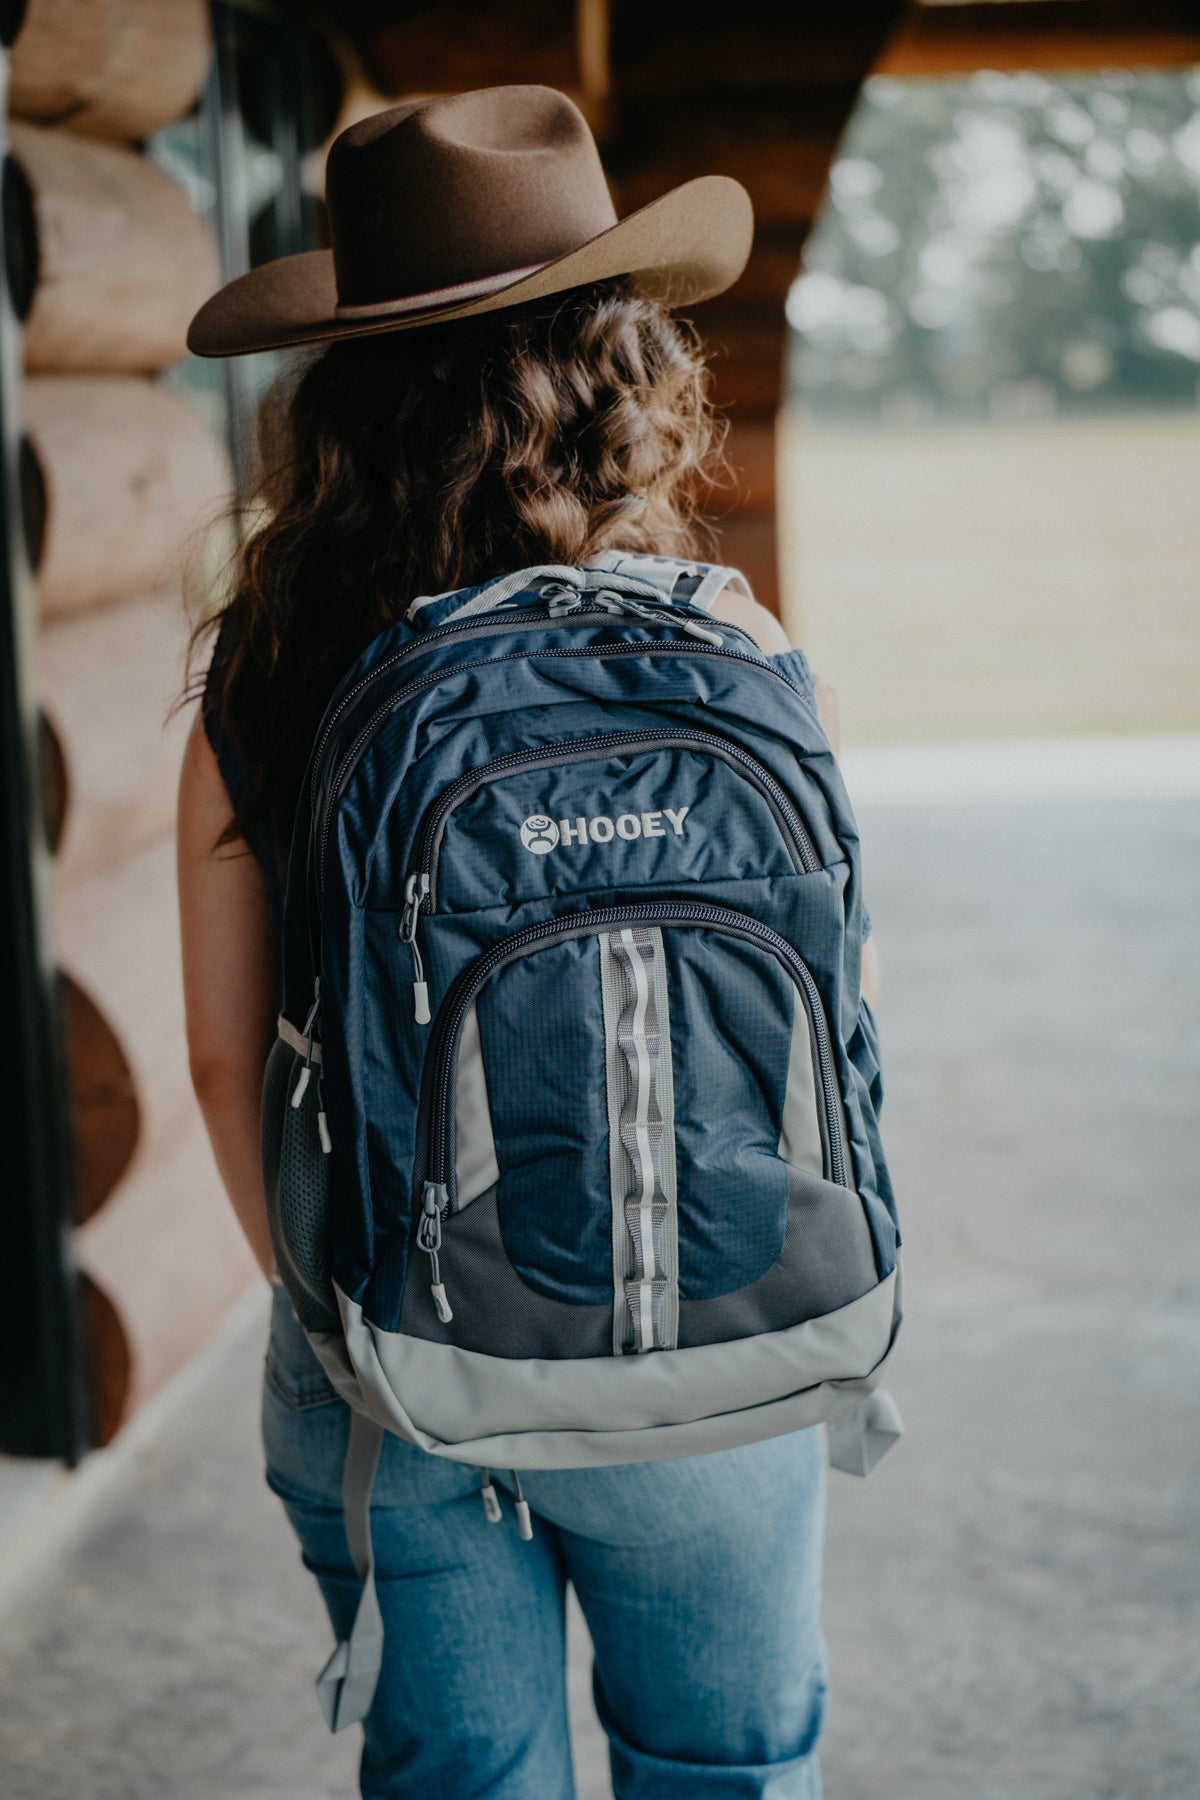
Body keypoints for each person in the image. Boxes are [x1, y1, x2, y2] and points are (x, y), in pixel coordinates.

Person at [178, 84, 879, 1800]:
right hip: (719, 1322)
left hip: (397, 1353)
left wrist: (356, 1319)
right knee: (723, 1768)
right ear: (624, 360)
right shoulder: (740, 649)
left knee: (462, 1781)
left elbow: (218, 1057)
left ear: (344, 387)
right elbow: (821, 1004)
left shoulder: (265, 664)